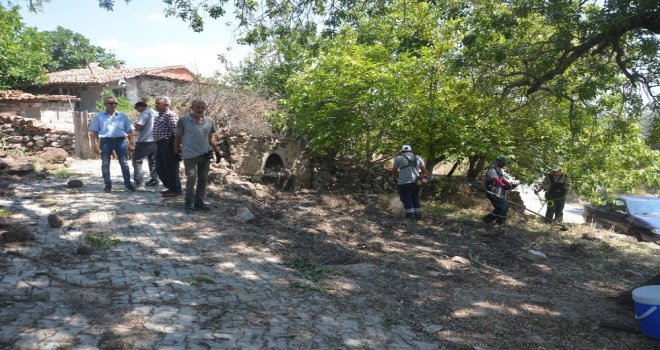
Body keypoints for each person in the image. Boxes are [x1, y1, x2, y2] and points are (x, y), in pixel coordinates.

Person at [174, 99, 221, 210]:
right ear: (192, 107)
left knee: (203, 179)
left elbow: (210, 138)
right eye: (198, 107)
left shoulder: (209, 121)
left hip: (205, 154)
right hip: (189, 154)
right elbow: (177, 137)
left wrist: (217, 151)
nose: (200, 110)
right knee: (191, 177)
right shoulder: (183, 121)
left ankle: (199, 202)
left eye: (202, 107)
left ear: (205, 109)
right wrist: (176, 152)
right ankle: (188, 202)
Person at [88, 96, 136, 193]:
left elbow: (130, 130)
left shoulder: (122, 116)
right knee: (105, 164)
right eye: (110, 103)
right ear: (105, 104)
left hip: (121, 141)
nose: (113, 105)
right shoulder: (99, 116)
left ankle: (128, 184)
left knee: (124, 163)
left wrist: (131, 143)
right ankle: (108, 185)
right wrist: (95, 145)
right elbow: (95, 133)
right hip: (106, 141)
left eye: (115, 103)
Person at [153, 96, 182, 197]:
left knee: (171, 167)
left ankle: (175, 189)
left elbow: (176, 133)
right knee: (159, 167)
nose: (156, 105)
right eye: (156, 103)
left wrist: (176, 148)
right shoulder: (159, 115)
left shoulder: (170, 115)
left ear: (166, 104)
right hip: (160, 144)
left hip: (168, 143)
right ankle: (170, 187)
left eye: (158, 103)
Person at [391, 145, 430, 219]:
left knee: (406, 198)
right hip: (416, 182)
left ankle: (410, 215)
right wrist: (426, 178)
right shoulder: (418, 157)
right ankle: (418, 214)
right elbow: (424, 170)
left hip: (403, 182)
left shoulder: (399, 158)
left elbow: (394, 170)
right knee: (415, 198)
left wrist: (394, 176)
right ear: (411, 150)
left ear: (402, 151)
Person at [482, 156, 517, 225]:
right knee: (500, 207)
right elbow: (496, 179)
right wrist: (504, 186)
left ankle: (500, 223)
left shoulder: (498, 170)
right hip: (491, 190)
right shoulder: (492, 170)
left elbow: (501, 179)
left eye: (505, 163)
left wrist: (509, 184)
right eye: (503, 163)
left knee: (505, 207)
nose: (504, 164)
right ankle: (486, 220)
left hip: (497, 191)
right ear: (498, 162)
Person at [132, 101, 159, 188]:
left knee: (137, 161)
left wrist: (135, 126)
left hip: (144, 140)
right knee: (153, 161)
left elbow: (139, 126)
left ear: (140, 107)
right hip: (155, 140)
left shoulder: (144, 114)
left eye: (137, 109)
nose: (138, 111)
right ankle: (155, 180)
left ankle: (139, 182)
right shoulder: (156, 113)